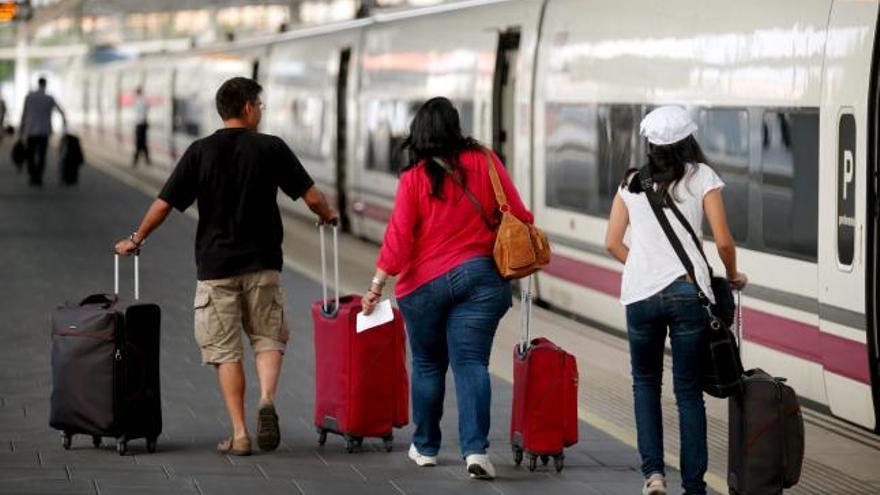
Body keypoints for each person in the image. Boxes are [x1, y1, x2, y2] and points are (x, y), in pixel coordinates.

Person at [114, 77, 337, 456]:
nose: (261, 112)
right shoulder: (271, 148)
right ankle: (266, 399)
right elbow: (312, 197)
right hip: (264, 263)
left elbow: (165, 203)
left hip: (216, 268)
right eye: (260, 106)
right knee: (268, 338)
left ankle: (240, 434)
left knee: (224, 350)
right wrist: (328, 216)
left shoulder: (200, 151)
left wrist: (136, 239)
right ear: (248, 107)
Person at [361, 97, 532, 480]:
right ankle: (476, 452)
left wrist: (376, 285)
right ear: (456, 127)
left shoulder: (415, 177)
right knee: (472, 364)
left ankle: (426, 447)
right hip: (483, 278)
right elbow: (520, 215)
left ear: (418, 133)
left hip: (425, 285)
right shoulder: (486, 161)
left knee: (427, 364)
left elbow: (399, 239)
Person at [604, 105, 748, 495]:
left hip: (640, 296)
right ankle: (693, 486)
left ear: (649, 143)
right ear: (688, 139)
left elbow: (612, 243)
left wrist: (645, 266)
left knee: (645, 384)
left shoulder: (631, 182)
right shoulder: (702, 177)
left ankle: (653, 475)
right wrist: (732, 276)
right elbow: (722, 241)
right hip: (688, 295)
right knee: (687, 392)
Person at [19, 77, 66, 186]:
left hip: (31, 130)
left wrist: (21, 129)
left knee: (30, 154)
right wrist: (64, 124)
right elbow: (61, 112)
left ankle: (32, 175)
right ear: (45, 84)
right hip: (44, 131)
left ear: (38, 84)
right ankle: (38, 177)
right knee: (42, 155)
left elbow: (24, 113)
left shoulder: (29, 97)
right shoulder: (49, 98)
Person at [133, 86, 151, 166]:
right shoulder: (141, 100)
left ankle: (136, 159)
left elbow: (142, 114)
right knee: (142, 143)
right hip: (142, 124)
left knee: (140, 142)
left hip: (140, 124)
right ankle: (146, 159)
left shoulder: (140, 101)